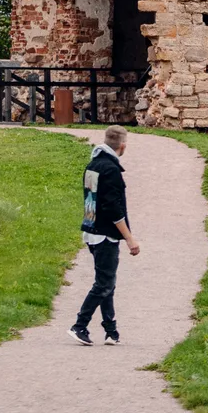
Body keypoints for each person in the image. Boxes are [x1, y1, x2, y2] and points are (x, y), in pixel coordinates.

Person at [69, 125, 140, 346]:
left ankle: (111, 331)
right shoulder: (111, 170)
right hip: (105, 234)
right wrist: (129, 238)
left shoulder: (93, 165)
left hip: (91, 230)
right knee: (104, 284)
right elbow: (113, 209)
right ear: (123, 145)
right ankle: (79, 325)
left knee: (106, 282)